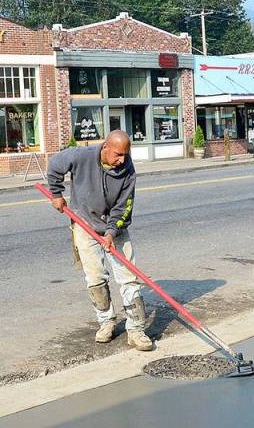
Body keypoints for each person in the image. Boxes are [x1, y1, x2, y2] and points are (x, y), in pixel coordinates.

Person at [46, 130, 152, 351]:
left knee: (129, 279)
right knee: (94, 277)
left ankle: (136, 329)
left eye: (125, 155)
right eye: (117, 154)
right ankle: (107, 322)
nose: (121, 160)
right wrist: (56, 193)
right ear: (105, 147)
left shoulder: (128, 171)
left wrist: (112, 232)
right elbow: (55, 164)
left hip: (116, 229)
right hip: (85, 223)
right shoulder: (81, 156)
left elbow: (124, 208)